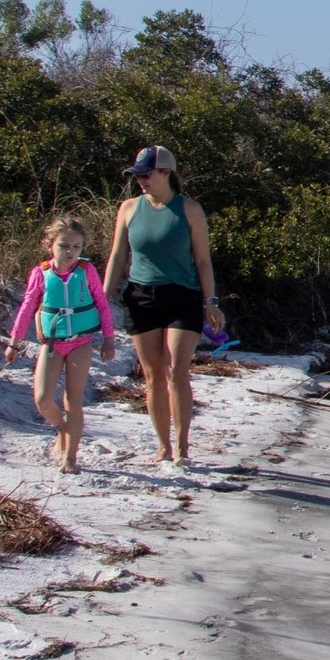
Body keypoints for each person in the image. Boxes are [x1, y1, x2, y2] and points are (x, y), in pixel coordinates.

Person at [105, 146, 223, 467]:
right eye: (137, 175)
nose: (140, 180)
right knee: (153, 373)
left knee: (176, 370)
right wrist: (102, 298)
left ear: (165, 173)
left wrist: (210, 302)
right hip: (141, 297)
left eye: (146, 175)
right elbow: (118, 257)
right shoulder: (129, 209)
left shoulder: (190, 210)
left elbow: (202, 259)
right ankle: (163, 446)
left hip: (183, 296)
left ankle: (183, 448)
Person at [4, 215, 117, 474]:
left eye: (76, 247)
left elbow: (101, 303)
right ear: (50, 245)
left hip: (81, 342)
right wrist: (14, 342)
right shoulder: (40, 274)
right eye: (64, 246)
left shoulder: (86, 271)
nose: (70, 252)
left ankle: (71, 457)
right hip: (52, 343)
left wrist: (108, 339)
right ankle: (62, 429)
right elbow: (27, 307)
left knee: (73, 400)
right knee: (43, 399)